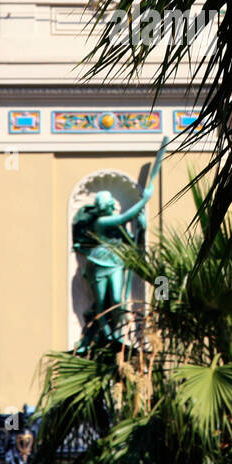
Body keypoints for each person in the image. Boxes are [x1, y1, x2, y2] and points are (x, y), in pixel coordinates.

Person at [72, 137, 169, 348]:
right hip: (99, 262)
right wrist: (145, 199)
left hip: (116, 260)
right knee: (101, 304)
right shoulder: (102, 221)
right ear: (104, 206)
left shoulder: (114, 227)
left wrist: (141, 226)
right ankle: (105, 335)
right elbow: (125, 218)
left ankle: (117, 335)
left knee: (116, 299)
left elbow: (132, 241)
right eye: (109, 203)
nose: (112, 205)